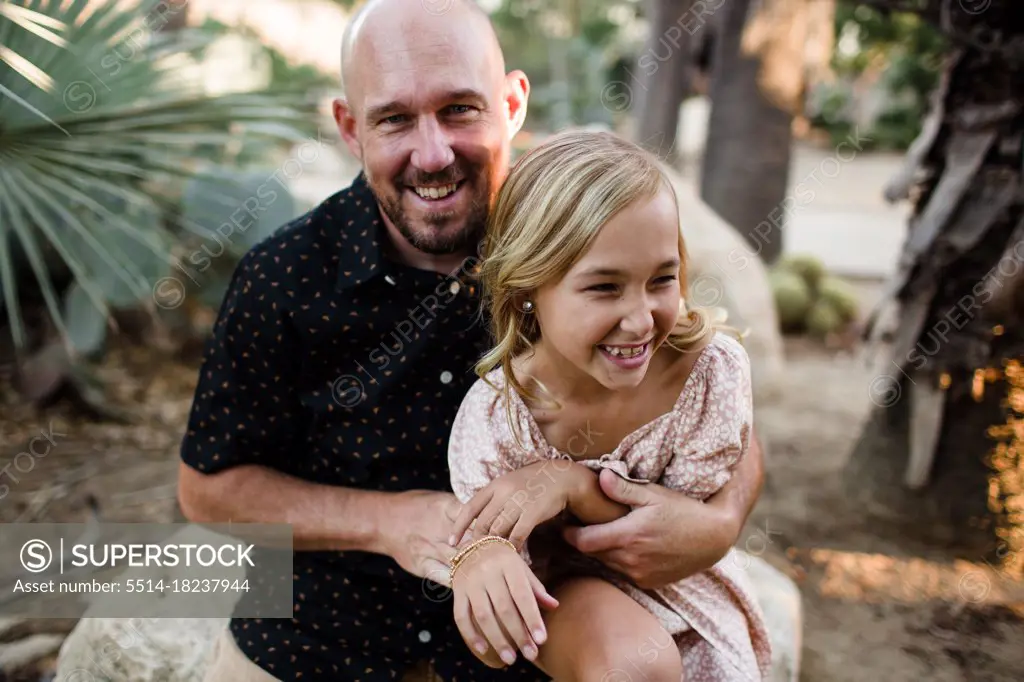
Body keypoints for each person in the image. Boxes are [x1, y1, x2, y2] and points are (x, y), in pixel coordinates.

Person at [176, 0, 766, 679]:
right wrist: (387, 523)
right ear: (349, 126)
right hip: (319, 632)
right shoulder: (284, 276)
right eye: (395, 118)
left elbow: (709, 400)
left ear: (511, 103)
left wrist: (719, 523)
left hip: (538, 633)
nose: (433, 153)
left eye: (460, 109)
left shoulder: (580, 231)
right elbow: (208, 490)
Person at [444, 130, 772, 681]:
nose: (641, 319)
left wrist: (569, 484)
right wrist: (484, 565)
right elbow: (491, 628)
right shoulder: (499, 419)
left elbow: (661, 539)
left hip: (683, 590)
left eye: (661, 279)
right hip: (570, 601)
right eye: (604, 288)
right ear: (529, 286)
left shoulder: (708, 373)